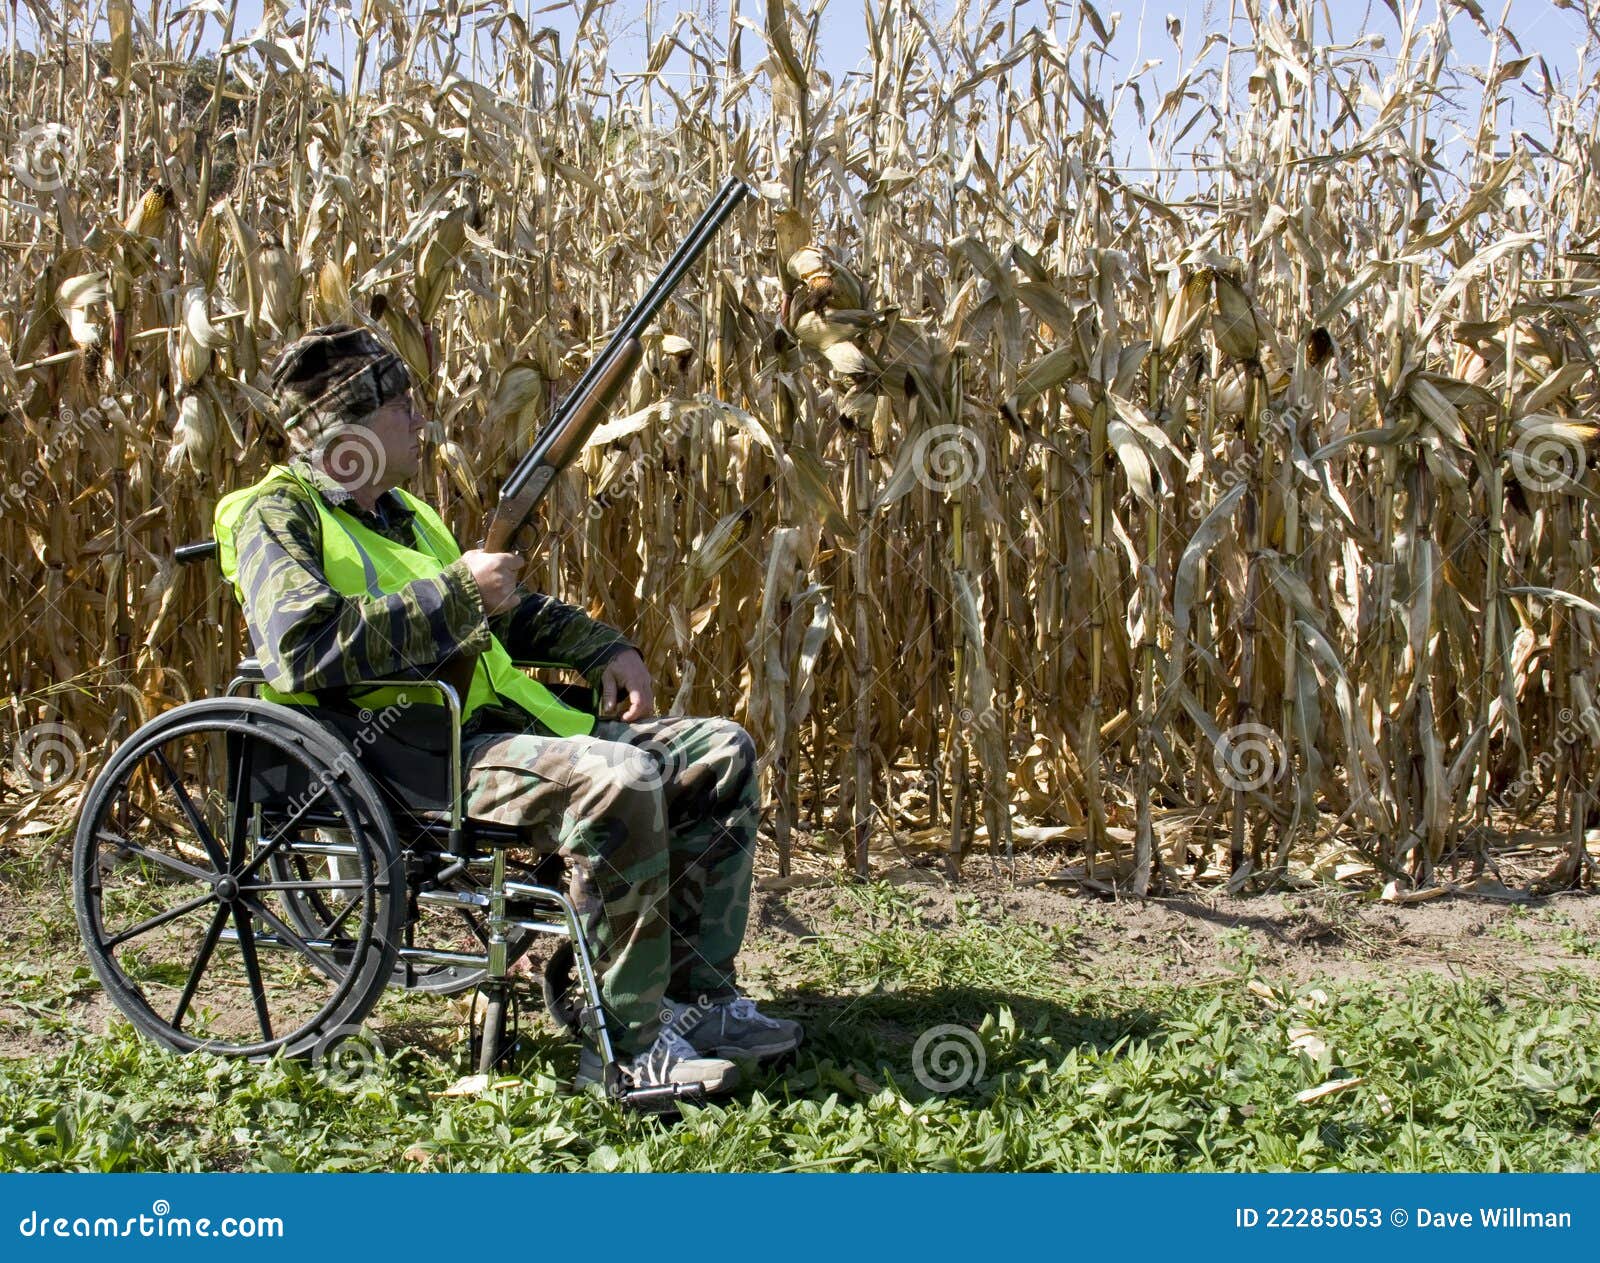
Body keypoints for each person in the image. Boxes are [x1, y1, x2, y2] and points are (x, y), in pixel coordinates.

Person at [212, 323, 802, 1096]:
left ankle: (697, 999)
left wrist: (602, 647)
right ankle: (624, 1046)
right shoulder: (274, 513)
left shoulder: (406, 516)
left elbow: (503, 614)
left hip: (497, 735)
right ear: (347, 430)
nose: (422, 423)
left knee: (720, 749)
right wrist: (458, 590)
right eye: (403, 409)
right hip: (402, 760)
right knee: (618, 777)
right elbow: (302, 645)